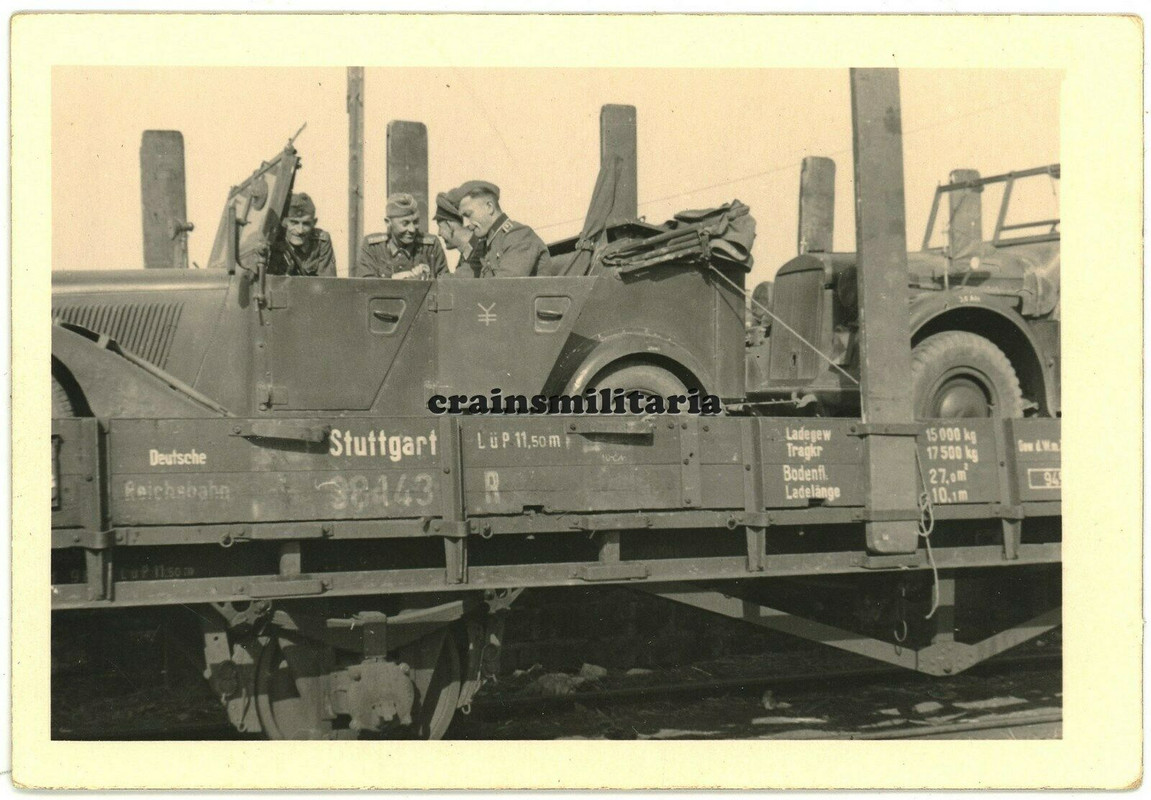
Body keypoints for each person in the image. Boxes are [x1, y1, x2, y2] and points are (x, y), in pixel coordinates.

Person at [456, 181, 552, 278]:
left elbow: (504, 288)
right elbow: (461, 277)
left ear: (489, 207)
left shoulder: (519, 237)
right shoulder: (484, 243)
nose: (466, 224)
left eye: (468, 215)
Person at [354, 192, 448, 280]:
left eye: (415, 222)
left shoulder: (430, 246)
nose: (412, 229)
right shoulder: (373, 247)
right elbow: (365, 288)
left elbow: (445, 285)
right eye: (405, 223)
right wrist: (396, 279)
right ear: (388, 222)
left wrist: (425, 279)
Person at [268, 193, 336, 277]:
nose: (300, 230)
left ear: (314, 223)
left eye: (306, 224)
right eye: (294, 222)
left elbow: (327, 283)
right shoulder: (272, 239)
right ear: (284, 221)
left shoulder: (321, 242)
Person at [433, 186, 484, 278]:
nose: (439, 233)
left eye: (440, 227)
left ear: (450, 225)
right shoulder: (468, 251)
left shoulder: (479, 250)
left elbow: (460, 281)